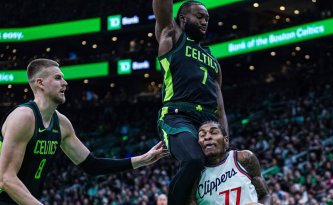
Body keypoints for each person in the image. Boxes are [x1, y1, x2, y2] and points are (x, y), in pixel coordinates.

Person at [0, 59, 169, 205]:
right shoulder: (23, 117)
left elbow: (92, 165)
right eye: (58, 78)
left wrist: (142, 160)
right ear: (40, 83)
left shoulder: (62, 124)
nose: (65, 83)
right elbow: (6, 179)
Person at [152, 1, 228, 204]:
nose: (205, 21)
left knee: (211, 169)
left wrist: (226, 140)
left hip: (208, 122)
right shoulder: (173, 36)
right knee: (194, 159)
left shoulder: (214, 62)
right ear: (183, 19)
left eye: (207, 18)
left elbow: (220, 108)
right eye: (200, 16)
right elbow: (162, 9)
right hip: (178, 116)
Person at [190, 121, 272, 205]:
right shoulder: (193, 175)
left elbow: (266, 195)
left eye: (214, 132)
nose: (207, 137)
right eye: (202, 135)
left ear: (226, 140)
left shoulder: (244, 158)